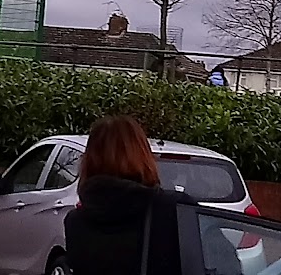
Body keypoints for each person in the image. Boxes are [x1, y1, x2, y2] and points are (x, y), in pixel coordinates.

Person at [64, 115, 197, 275]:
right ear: (143, 156)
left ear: (89, 160)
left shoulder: (75, 222)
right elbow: (221, 259)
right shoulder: (176, 210)